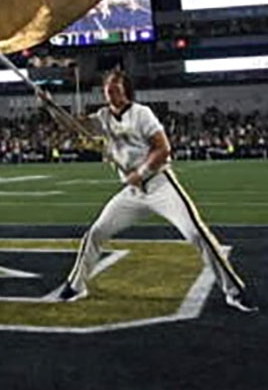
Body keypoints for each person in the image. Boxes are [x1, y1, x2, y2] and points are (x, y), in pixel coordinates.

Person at [56, 71, 255, 312]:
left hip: (159, 183)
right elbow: (72, 125)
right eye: (108, 89)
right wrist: (47, 104)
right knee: (96, 232)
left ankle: (234, 291)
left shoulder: (142, 113)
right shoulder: (103, 116)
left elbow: (163, 148)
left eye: (116, 88)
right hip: (133, 192)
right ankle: (76, 285)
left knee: (197, 234)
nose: (111, 92)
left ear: (126, 90)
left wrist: (140, 173)